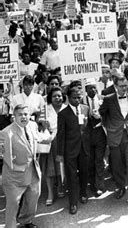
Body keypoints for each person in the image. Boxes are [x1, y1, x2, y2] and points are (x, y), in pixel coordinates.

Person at [0, 104, 53, 228]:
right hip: (14, 174)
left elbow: (39, 138)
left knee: (33, 197)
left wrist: (49, 134)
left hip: (32, 170)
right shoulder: (6, 132)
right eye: (20, 114)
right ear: (14, 117)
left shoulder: (33, 126)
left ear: (30, 115)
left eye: (26, 114)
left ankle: (26, 221)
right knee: (13, 204)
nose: (23, 117)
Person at [99, 73, 128, 207]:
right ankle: (121, 186)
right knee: (117, 166)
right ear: (115, 86)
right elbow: (102, 114)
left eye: (125, 86)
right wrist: (109, 128)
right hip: (115, 137)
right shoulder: (109, 99)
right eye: (121, 86)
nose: (123, 88)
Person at [56, 85, 90, 215]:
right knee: (71, 176)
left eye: (79, 97)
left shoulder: (85, 109)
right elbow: (60, 134)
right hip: (70, 149)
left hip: (84, 147)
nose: (77, 100)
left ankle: (83, 193)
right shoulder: (63, 114)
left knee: (84, 172)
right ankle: (73, 202)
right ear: (68, 98)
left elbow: (90, 129)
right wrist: (60, 153)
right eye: (74, 98)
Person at [40, 87, 65, 206]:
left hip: (63, 141)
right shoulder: (45, 109)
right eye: (54, 96)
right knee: (50, 168)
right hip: (50, 142)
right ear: (50, 97)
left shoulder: (66, 108)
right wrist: (43, 125)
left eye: (59, 96)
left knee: (60, 165)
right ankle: (50, 193)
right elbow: (39, 127)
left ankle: (60, 186)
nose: (57, 98)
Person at [83, 79, 107, 197]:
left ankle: (100, 185)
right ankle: (91, 183)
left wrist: (101, 117)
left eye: (94, 87)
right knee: (90, 161)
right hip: (87, 134)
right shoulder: (81, 100)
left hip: (100, 133)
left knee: (99, 160)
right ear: (85, 89)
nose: (92, 90)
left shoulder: (103, 99)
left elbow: (109, 114)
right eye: (89, 88)